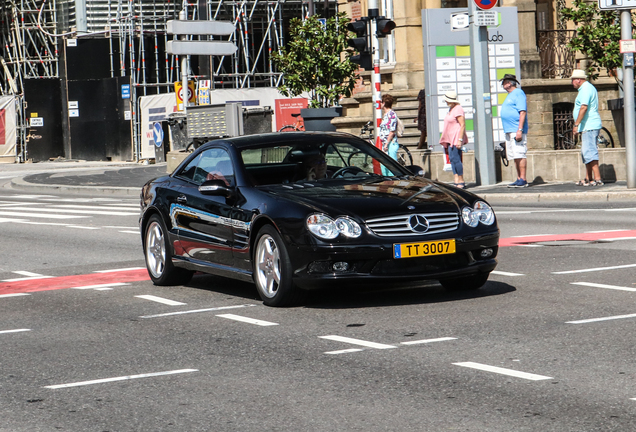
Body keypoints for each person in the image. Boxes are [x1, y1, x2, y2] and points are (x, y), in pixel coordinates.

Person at [571, 69, 604, 186]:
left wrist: (576, 124)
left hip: (589, 125)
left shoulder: (585, 89)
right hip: (587, 125)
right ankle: (588, 178)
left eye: (573, 80)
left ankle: (597, 178)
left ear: (578, 80)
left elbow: (583, 108)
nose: (572, 82)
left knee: (590, 151)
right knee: (586, 152)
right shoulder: (586, 88)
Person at [500, 74, 529, 188]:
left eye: (504, 82)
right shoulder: (510, 95)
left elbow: (522, 112)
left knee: (520, 153)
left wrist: (520, 130)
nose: (503, 85)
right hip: (509, 129)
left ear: (510, 83)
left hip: (516, 129)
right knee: (515, 155)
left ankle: (523, 178)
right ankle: (518, 178)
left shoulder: (518, 93)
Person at [439, 91, 467, 189]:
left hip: (456, 137)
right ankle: (456, 178)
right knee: (452, 159)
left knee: (456, 159)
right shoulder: (452, 109)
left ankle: (461, 180)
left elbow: (462, 124)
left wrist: (460, 139)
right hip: (450, 139)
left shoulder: (458, 109)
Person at [378, 94, 399, 175]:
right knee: (384, 165)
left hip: (391, 143)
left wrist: (386, 143)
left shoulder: (391, 114)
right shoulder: (386, 115)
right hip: (385, 144)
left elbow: (392, 130)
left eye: (381, 102)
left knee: (392, 165)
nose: (379, 104)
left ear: (383, 103)